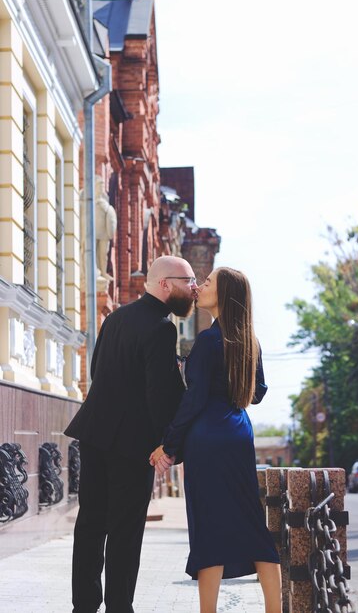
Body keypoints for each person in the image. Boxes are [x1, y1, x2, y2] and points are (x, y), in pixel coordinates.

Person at [64, 256, 198, 613]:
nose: (195, 288)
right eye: (189, 280)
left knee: (90, 523)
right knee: (125, 530)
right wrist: (167, 445)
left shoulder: (117, 317)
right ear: (165, 284)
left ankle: (84, 605)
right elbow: (159, 393)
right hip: (131, 443)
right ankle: (120, 607)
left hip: (94, 433)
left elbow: (96, 370)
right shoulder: (161, 327)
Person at [150, 267, 282, 613]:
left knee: (208, 530)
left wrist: (169, 445)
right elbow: (260, 393)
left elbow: (193, 400)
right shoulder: (249, 340)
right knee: (253, 524)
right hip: (239, 433)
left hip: (207, 437)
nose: (200, 286)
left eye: (207, 282)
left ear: (222, 295)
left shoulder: (209, 340)